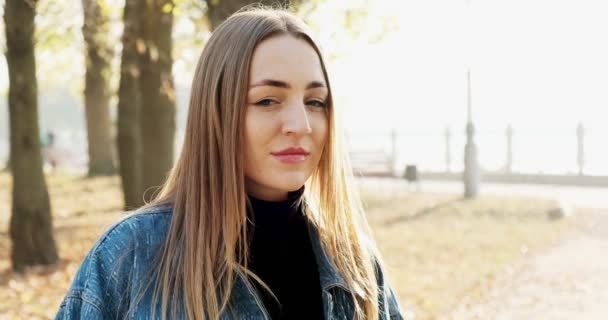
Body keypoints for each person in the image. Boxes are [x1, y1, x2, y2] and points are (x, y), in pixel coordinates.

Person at [56, 7, 404, 320]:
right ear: (216, 113)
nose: (301, 124)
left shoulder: (355, 266)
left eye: (315, 102)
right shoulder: (129, 257)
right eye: (268, 100)